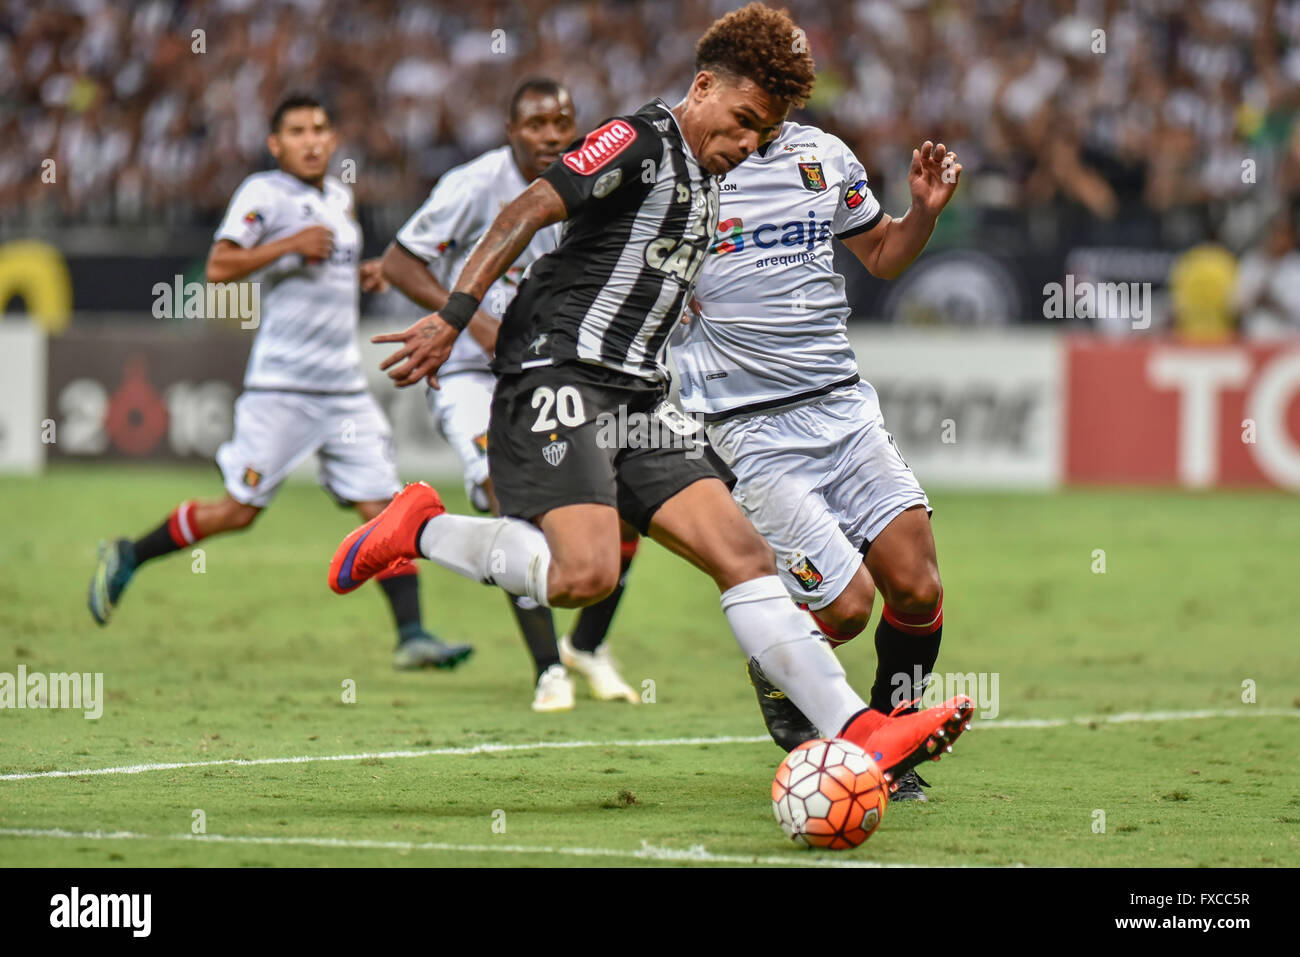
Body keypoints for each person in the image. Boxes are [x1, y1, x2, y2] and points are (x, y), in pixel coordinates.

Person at [329, 3, 971, 790]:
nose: (744, 146)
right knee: (584, 576)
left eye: (761, 135)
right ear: (702, 86)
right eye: (738, 122)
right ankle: (421, 527)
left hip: (643, 393)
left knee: (744, 559)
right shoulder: (637, 141)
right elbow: (531, 206)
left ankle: (860, 730)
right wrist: (455, 316)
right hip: (557, 371)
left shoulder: (728, 171)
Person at [88, 94, 471, 671]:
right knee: (239, 511)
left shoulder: (339, 198)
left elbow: (326, 269)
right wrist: (289, 245)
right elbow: (219, 267)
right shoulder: (263, 193)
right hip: (281, 389)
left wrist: (361, 272)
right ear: (276, 143)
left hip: (342, 387)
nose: (312, 139)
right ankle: (130, 554)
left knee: (384, 510)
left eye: (320, 128)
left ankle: (412, 634)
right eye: (297, 131)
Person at [673, 113, 963, 800]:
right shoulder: (685, 170)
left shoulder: (823, 154)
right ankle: (777, 662)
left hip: (841, 406)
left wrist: (921, 214)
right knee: (846, 609)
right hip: (750, 427)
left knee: (919, 586)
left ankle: (891, 744)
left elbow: (885, 252)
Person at [379, 78, 639, 711]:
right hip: (475, 373)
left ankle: (589, 644)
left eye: (563, 122)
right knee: (511, 500)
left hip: (562, 372)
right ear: (509, 130)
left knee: (628, 503)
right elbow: (400, 262)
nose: (551, 134)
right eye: (536, 123)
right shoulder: (474, 185)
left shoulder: (593, 178)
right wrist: (475, 321)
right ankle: (548, 667)